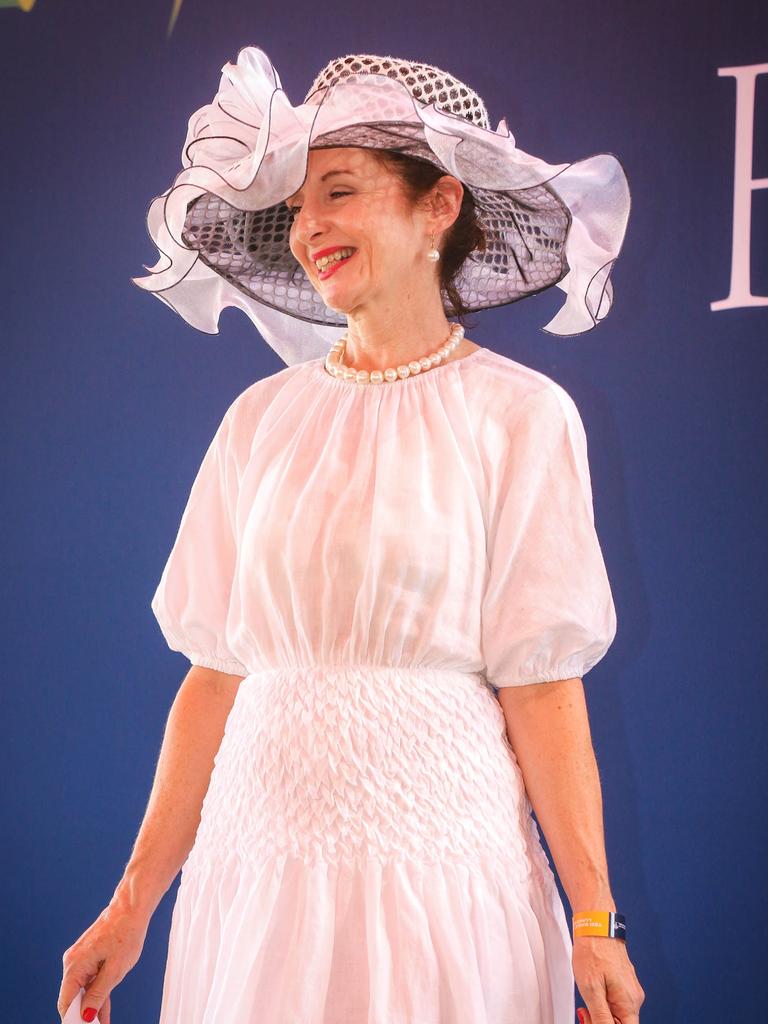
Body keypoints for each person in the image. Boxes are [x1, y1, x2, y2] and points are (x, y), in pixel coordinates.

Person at [58, 47, 644, 1024]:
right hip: (257, 878)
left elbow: (542, 686)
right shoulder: (257, 419)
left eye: (338, 192)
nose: (309, 227)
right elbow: (215, 676)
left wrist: (595, 925)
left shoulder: (523, 415)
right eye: (296, 207)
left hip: (445, 879)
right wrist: (131, 907)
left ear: (439, 208)